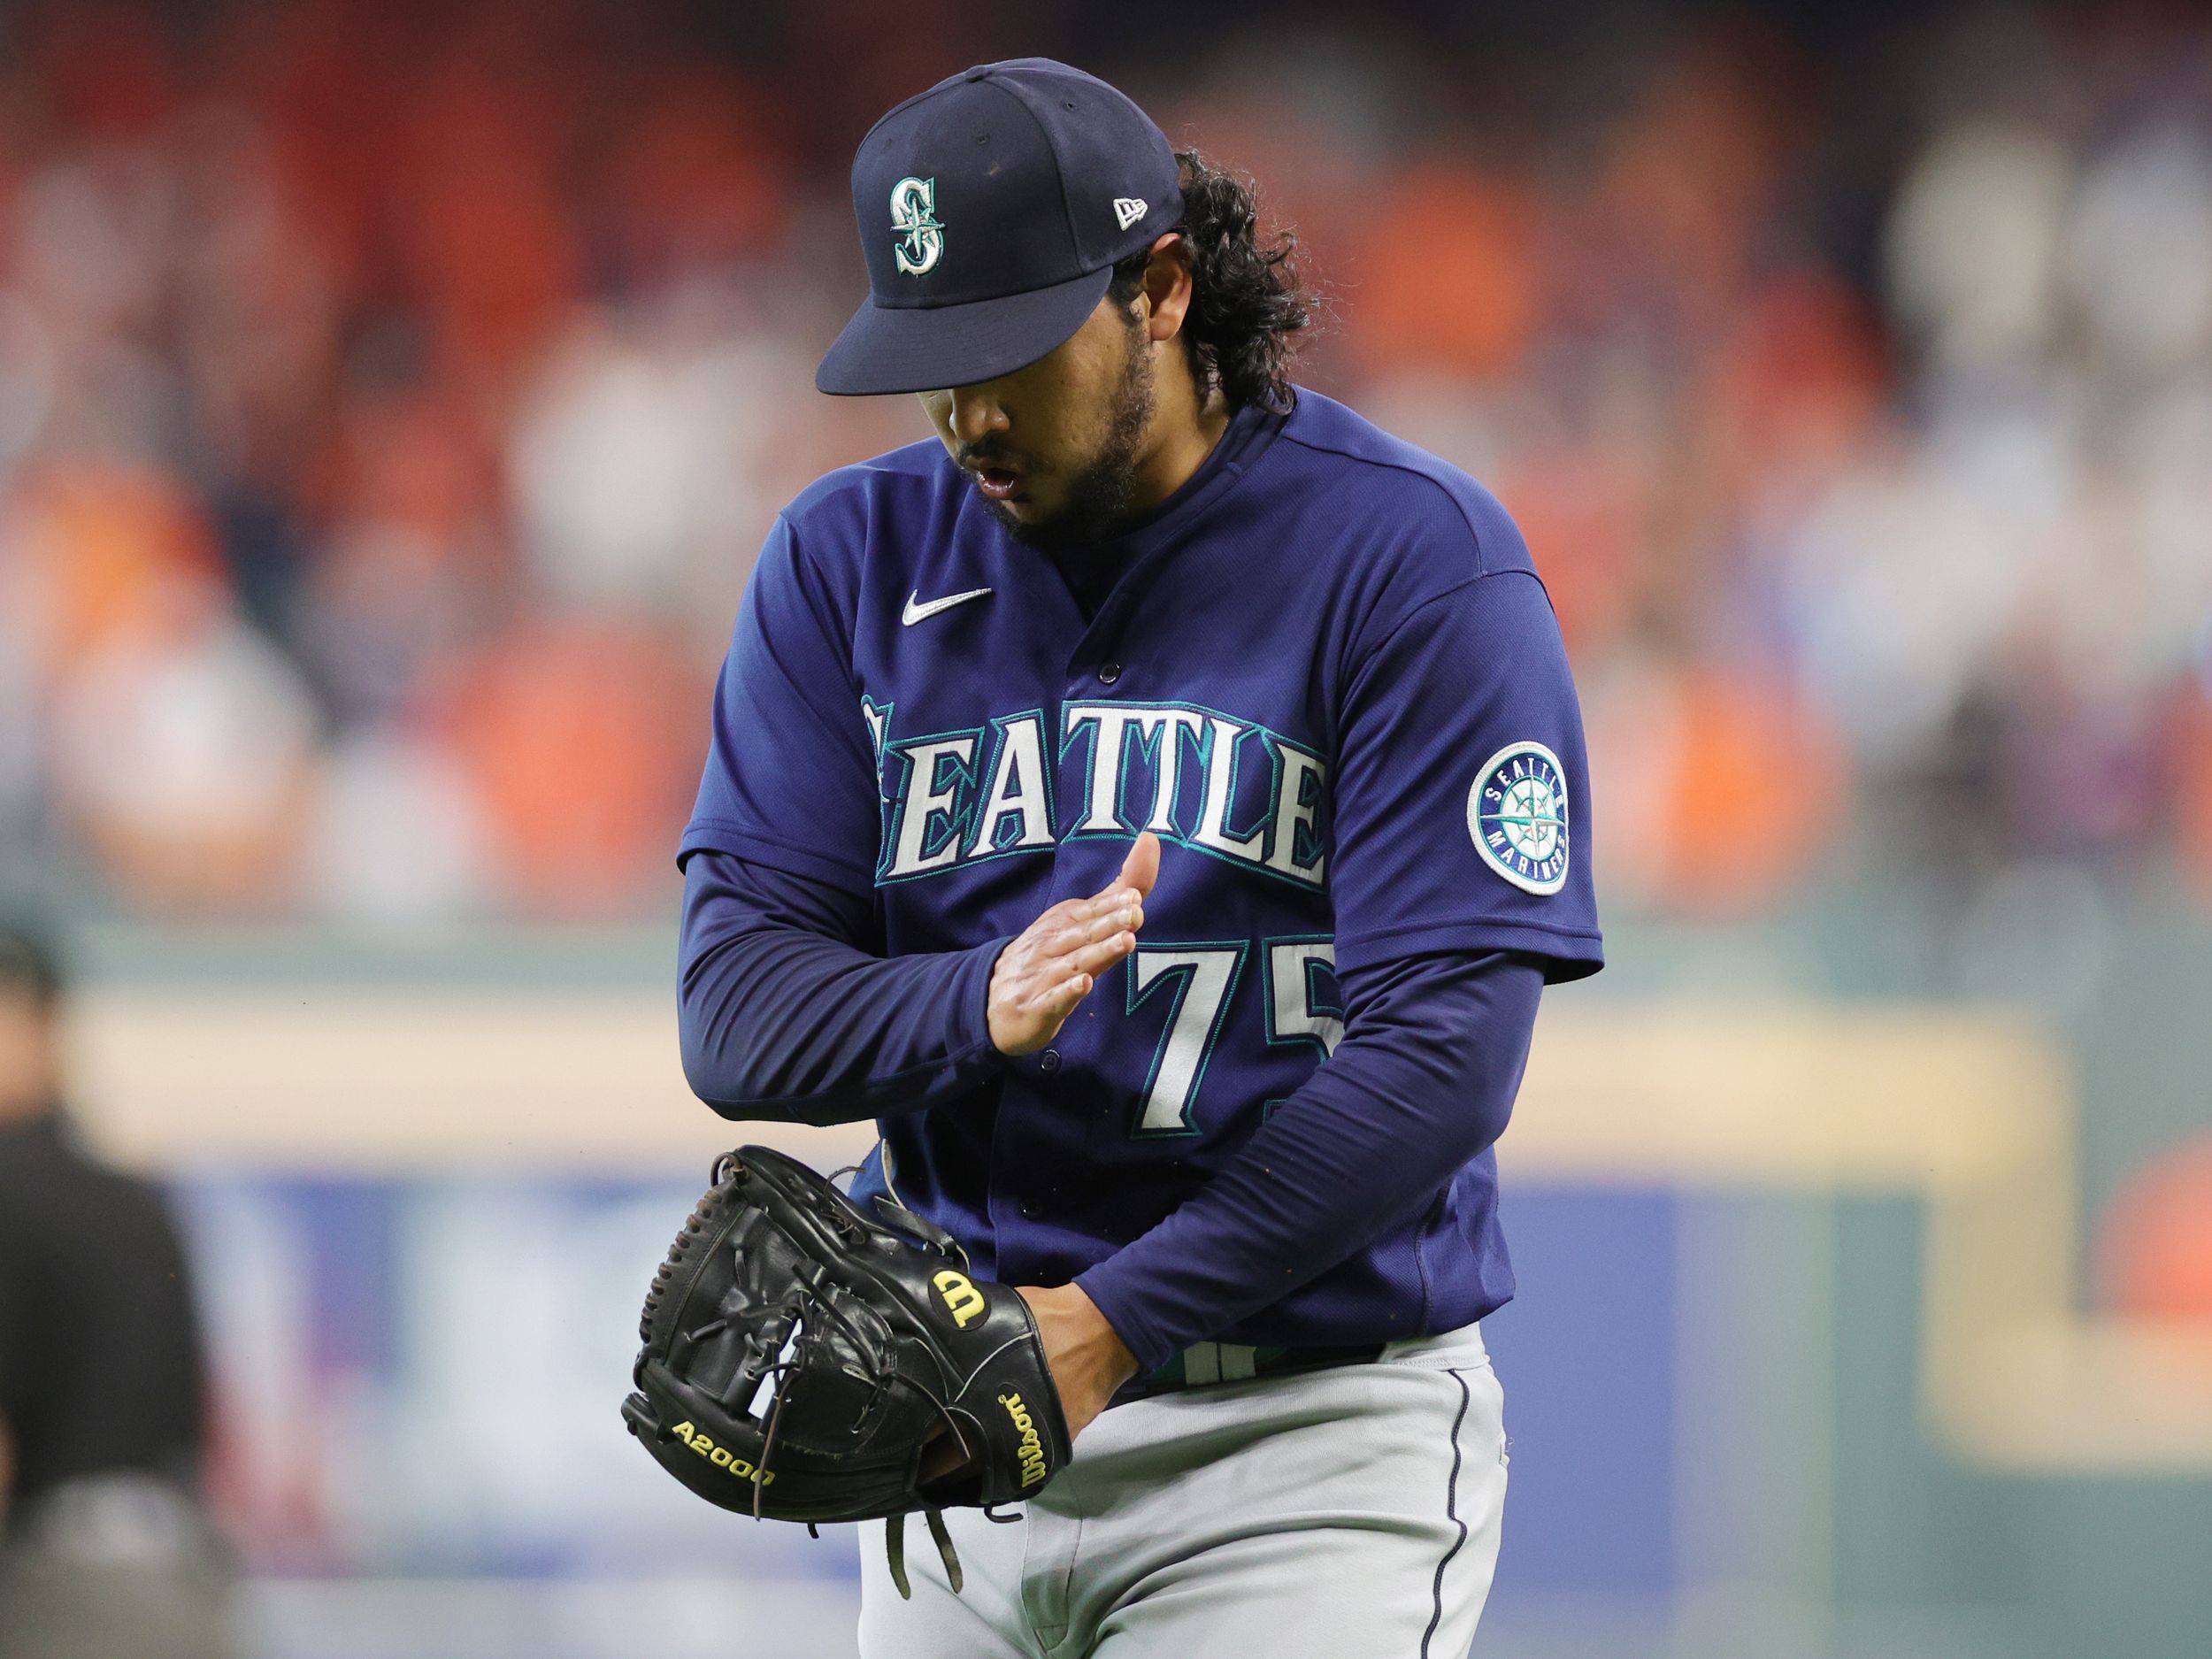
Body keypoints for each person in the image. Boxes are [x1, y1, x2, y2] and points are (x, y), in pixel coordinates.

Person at [677, 58, 1601, 1656]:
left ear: (1160, 291)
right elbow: (735, 1012)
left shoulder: (1409, 562)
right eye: (928, 364)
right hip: (965, 1429)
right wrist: (973, 1003)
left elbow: (1447, 1053)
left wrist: (1112, 1327)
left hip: (1301, 1442)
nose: (966, 415)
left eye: (1005, 355)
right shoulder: (849, 561)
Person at [0, 924, 234, 1659]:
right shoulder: (134, 1196)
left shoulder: (11, 1190)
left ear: (37, 1024)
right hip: (183, 1583)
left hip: (62, 1599)